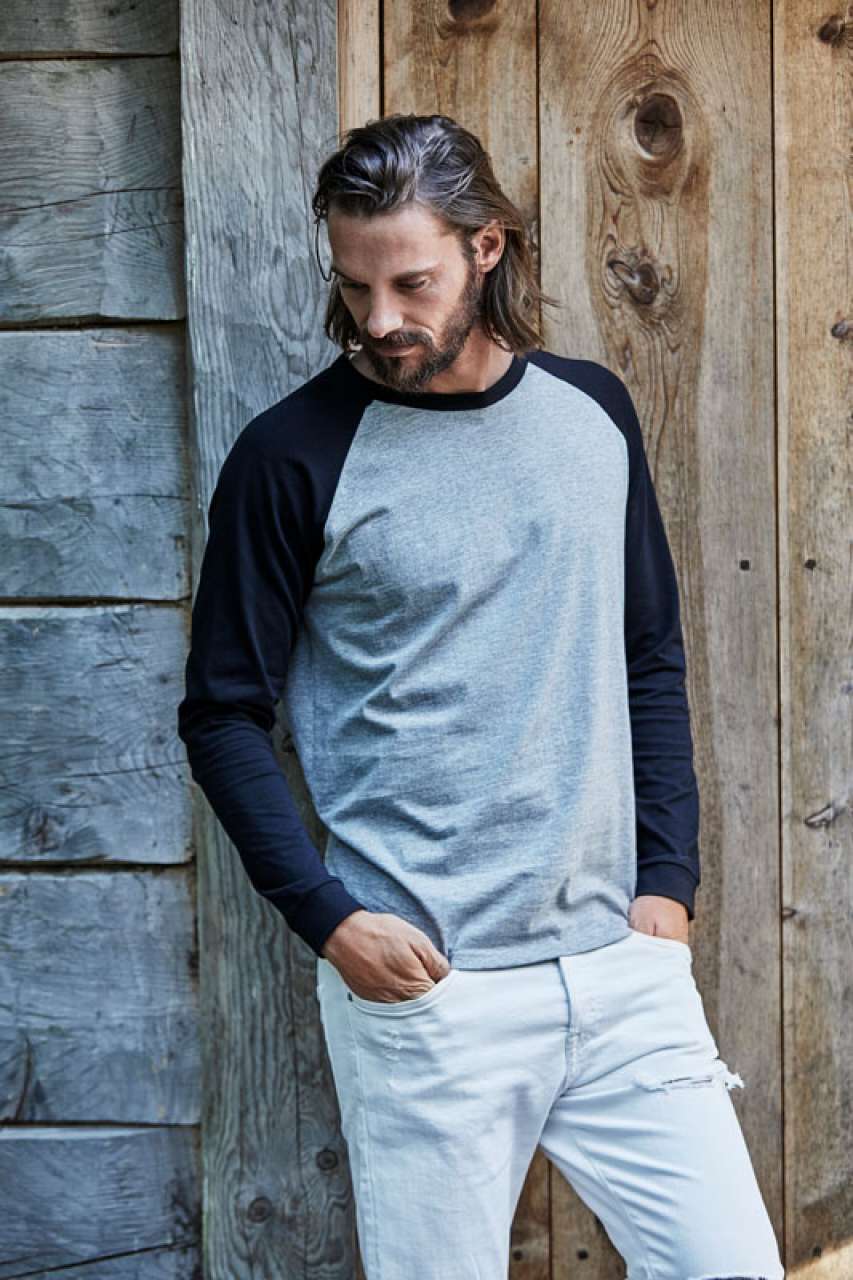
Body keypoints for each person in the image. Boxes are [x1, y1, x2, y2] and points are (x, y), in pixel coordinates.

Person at [177, 113, 785, 1279]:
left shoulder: (592, 411)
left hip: (620, 971)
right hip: (429, 990)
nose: (380, 319)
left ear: (486, 246)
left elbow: (647, 655)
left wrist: (666, 887)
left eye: (411, 282)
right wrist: (328, 917)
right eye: (355, 285)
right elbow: (221, 711)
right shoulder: (292, 456)